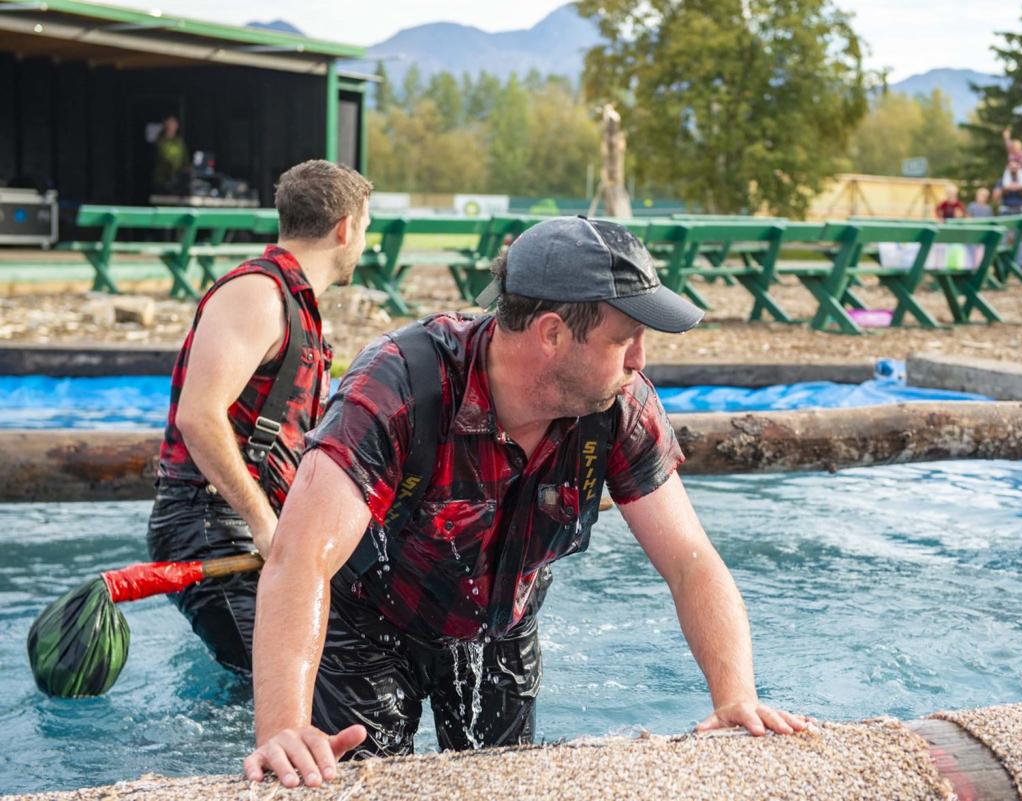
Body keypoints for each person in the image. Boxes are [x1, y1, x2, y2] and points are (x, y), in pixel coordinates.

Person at [242, 217, 810, 789]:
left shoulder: (620, 406)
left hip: (501, 624)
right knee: (355, 780)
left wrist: (736, 696)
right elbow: (299, 557)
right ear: (552, 333)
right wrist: (284, 727)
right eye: (623, 338)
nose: (640, 358)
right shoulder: (399, 384)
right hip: (371, 624)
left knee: (503, 785)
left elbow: (690, 562)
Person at [146, 160, 372, 673]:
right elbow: (198, 416)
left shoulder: (296, 305)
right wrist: (262, 521)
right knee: (277, 684)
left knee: (313, 674)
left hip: (249, 524)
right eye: (367, 228)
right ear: (346, 227)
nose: (365, 242)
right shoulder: (258, 294)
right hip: (209, 524)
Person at [993, 158, 1022, 273]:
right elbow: (995, 198)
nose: (1013, 168)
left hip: (1020, 211)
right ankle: (1002, 267)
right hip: (1005, 211)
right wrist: (1004, 189)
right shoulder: (1002, 181)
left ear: (1020, 167)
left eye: (1015, 166)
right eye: (1011, 166)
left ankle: (1018, 267)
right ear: (1007, 167)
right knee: (1003, 238)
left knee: (1020, 239)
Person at [152, 115, 190, 194]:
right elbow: (164, 158)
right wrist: (175, 169)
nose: (172, 125)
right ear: (165, 124)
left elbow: (185, 159)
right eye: (169, 123)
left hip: (178, 181)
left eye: (174, 123)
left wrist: (187, 168)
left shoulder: (179, 141)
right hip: (163, 180)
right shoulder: (160, 141)